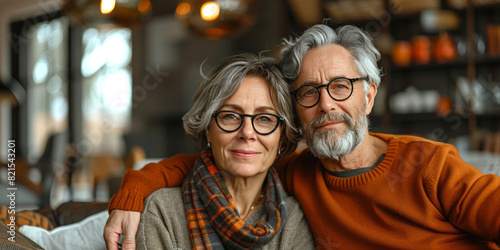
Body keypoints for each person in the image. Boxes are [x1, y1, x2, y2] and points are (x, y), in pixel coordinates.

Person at [105, 23, 500, 249]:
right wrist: (137, 184)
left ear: (369, 94)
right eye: (310, 92)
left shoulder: (430, 164)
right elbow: (223, 159)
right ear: (296, 112)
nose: (327, 105)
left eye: (341, 86)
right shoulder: (296, 175)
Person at [104, 53, 315, 249]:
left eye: (265, 119)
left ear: (282, 137)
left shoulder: (294, 217)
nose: (247, 133)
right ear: (207, 129)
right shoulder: (161, 211)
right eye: (230, 116)